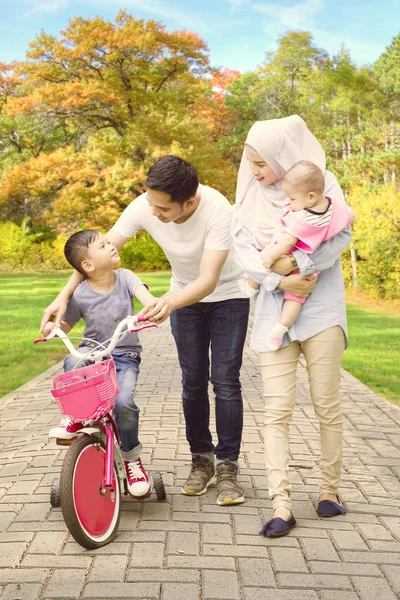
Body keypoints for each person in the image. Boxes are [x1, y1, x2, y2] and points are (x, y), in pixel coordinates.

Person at [41, 156, 255, 506]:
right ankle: (202, 459)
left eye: (162, 209)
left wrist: (169, 302)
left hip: (228, 296)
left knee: (226, 381)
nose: (152, 213)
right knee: (193, 380)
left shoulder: (218, 210)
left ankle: (228, 465)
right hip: (182, 294)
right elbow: (91, 257)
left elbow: (208, 280)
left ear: (189, 201)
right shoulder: (146, 204)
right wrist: (62, 297)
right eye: (151, 204)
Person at [232, 115, 352, 537]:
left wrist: (299, 265)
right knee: (276, 412)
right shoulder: (249, 196)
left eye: (259, 162)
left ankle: (329, 491)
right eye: (249, 162)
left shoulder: (322, 180)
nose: (254, 171)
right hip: (272, 316)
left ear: (281, 155)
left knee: (326, 405)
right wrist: (278, 278)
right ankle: (282, 504)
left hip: (321, 314)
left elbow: (339, 236)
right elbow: (243, 252)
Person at [43, 229, 157, 498]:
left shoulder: (126, 278)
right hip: (93, 351)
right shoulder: (80, 293)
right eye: (103, 245)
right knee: (73, 359)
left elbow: (146, 298)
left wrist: (151, 308)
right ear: (88, 265)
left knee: (123, 403)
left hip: (124, 353)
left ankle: (131, 460)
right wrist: (55, 327)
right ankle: (73, 417)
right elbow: (68, 323)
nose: (111, 246)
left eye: (108, 242)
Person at [240, 160, 355, 350]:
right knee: (296, 299)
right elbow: (348, 216)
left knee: (264, 257)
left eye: (292, 199)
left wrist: (269, 258)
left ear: (310, 197)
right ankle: (280, 330)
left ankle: (251, 287)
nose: (289, 203)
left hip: (290, 254)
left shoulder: (304, 218)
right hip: (308, 265)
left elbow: (286, 242)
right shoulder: (332, 208)